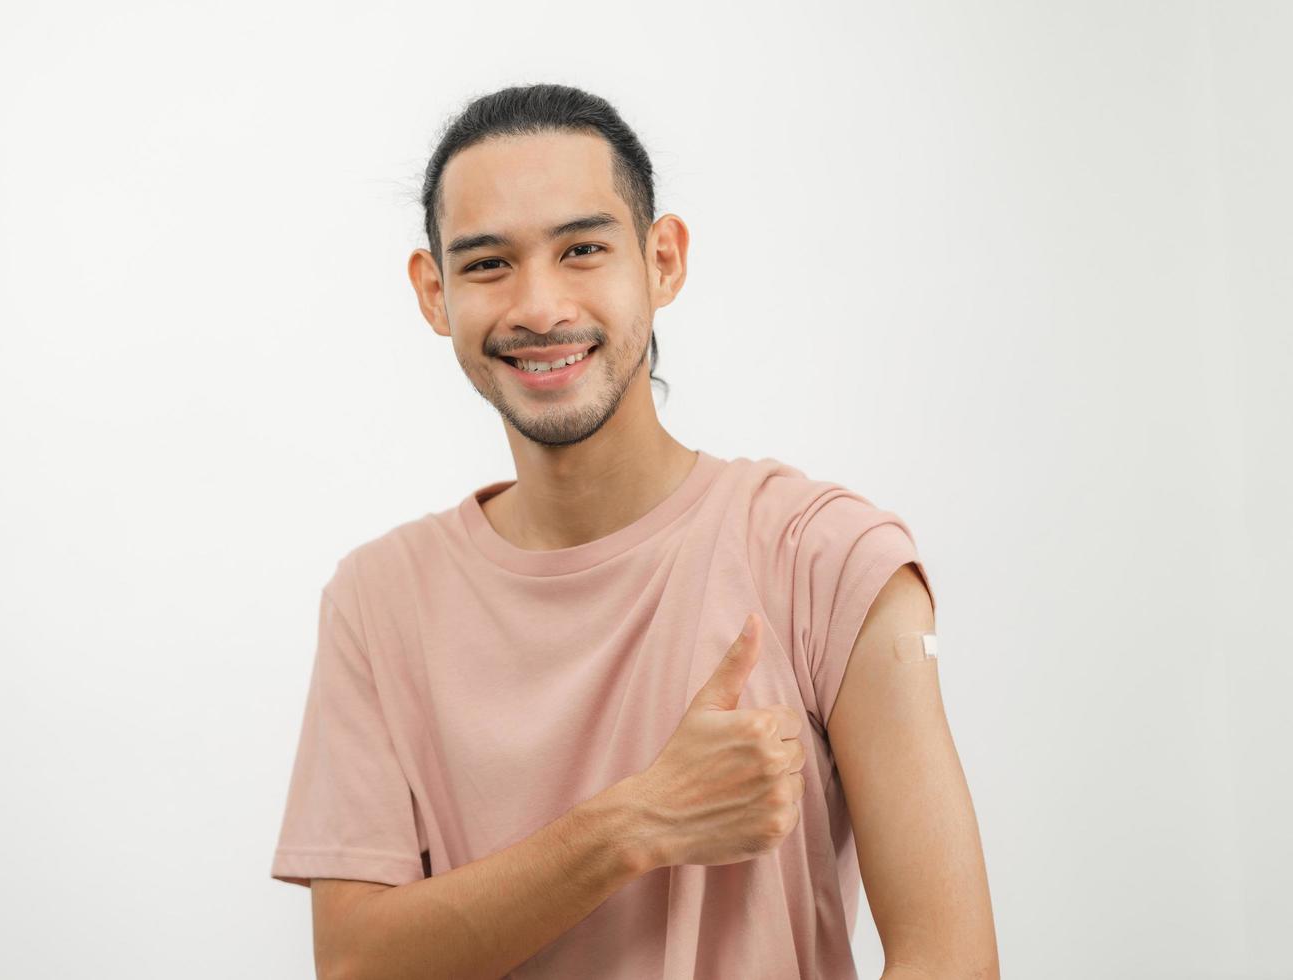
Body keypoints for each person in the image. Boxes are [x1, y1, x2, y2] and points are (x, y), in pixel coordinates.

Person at [269, 82, 998, 979]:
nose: (539, 306)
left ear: (663, 260)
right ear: (434, 292)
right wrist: (637, 822)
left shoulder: (828, 556)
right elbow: (354, 965)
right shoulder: (376, 602)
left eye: (582, 249)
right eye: (489, 263)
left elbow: (951, 956)